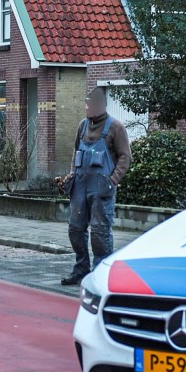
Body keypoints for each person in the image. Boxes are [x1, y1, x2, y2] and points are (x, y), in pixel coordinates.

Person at [56, 87, 133, 286]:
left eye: (90, 104)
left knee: (100, 232)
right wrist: (72, 174)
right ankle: (81, 269)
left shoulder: (115, 127)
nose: (87, 107)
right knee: (75, 229)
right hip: (79, 187)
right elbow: (76, 152)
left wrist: (113, 180)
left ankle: (101, 273)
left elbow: (125, 157)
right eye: (86, 103)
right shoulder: (82, 126)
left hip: (102, 188)